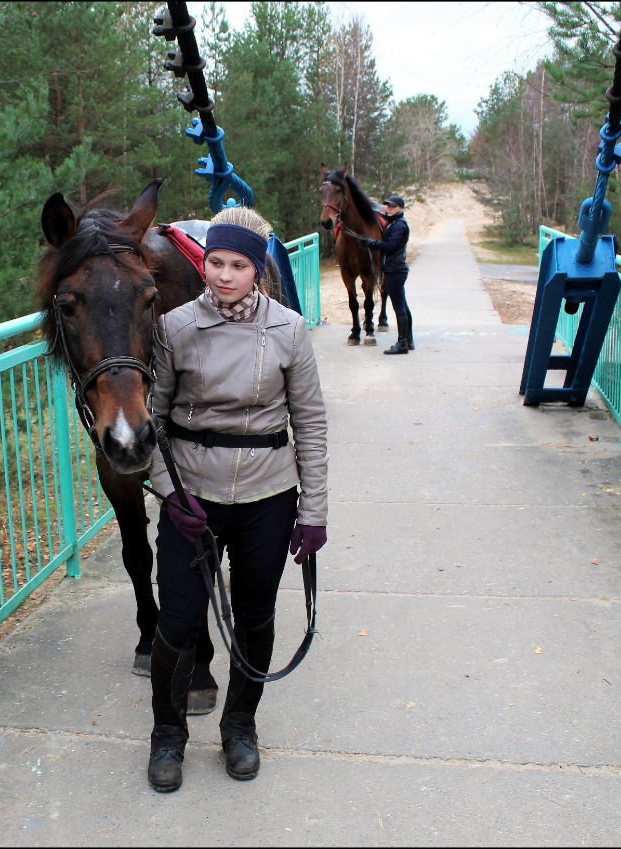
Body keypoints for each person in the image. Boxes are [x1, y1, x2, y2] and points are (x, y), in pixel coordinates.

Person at [144, 205, 329, 793]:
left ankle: (240, 727)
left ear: (259, 271)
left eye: (238, 265)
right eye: (215, 263)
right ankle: (167, 736)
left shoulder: (289, 330)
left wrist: (314, 512)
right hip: (191, 498)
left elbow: (312, 423)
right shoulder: (173, 328)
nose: (223, 276)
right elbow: (151, 419)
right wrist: (171, 494)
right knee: (176, 623)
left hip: (267, 495)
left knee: (255, 615)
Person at [362, 195, 414, 355]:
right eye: (388, 206)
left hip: (395, 270)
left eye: (393, 206)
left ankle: (402, 343)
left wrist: (371, 243)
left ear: (401, 208)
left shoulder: (399, 225)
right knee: (403, 306)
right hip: (395, 269)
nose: (389, 209)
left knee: (399, 308)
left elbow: (391, 246)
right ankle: (408, 340)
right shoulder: (395, 223)